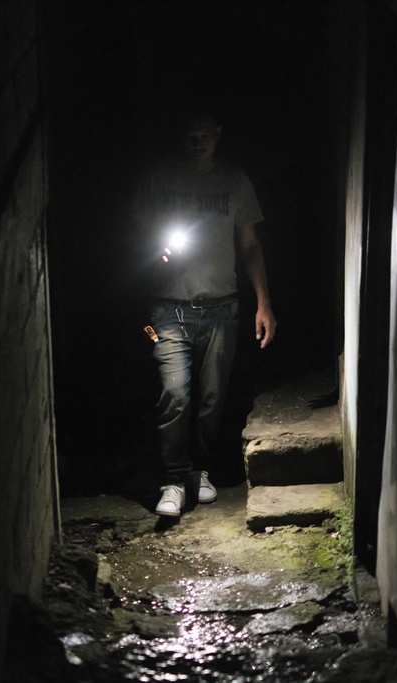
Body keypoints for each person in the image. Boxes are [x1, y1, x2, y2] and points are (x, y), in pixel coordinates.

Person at [135, 111, 277, 517]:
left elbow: (249, 244)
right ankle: (173, 479)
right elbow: (136, 235)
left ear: (218, 135)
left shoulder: (233, 180)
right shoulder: (159, 178)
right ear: (181, 138)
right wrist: (153, 251)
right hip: (164, 312)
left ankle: (200, 470)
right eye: (190, 135)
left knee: (212, 398)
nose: (198, 142)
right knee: (175, 393)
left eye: (204, 135)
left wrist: (263, 303)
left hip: (222, 309)